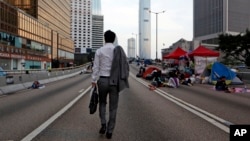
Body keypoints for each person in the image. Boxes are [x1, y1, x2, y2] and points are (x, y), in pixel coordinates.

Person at [91, 30, 129, 139]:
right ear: (113, 39)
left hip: (102, 81)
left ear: (104, 38)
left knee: (102, 103)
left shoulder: (99, 51)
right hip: (114, 82)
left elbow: (96, 67)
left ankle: (103, 124)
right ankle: (110, 131)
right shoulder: (117, 51)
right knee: (113, 108)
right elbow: (124, 66)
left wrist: (93, 80)